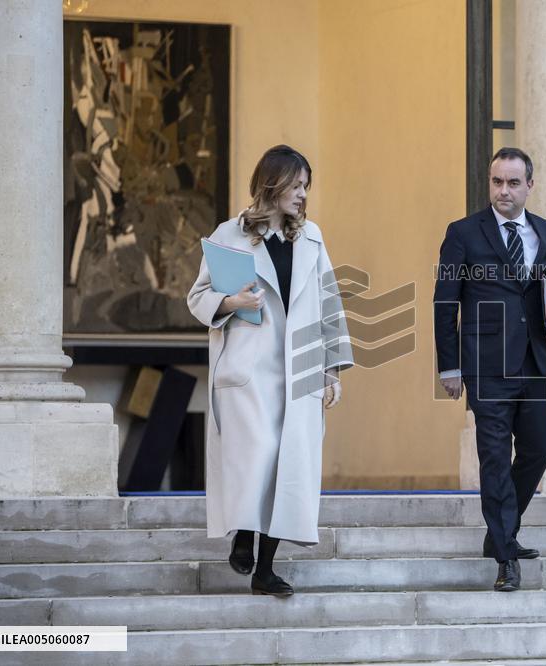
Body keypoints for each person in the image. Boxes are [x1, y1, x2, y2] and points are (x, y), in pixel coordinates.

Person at [188, 145, 353, 597]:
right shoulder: (230, 234)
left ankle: (266, 569)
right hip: (250, 368)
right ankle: (243, 534)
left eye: (306, 187)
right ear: (273, 184)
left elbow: (329, 304)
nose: (303, 195)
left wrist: (332, 370)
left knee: (290, 465)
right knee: (258, 456)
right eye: (296, 185)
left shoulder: (312, 238)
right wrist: (232, 302)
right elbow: (197, 296)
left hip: (298, 369)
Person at [433, 147, 546, 592]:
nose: (504, 190)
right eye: (497, 181)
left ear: (529, 186)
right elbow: (445, 302)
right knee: (494, 459)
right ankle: (504, 553)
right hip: (486, 366)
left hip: (536, 362)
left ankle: (501, 528)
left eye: (513, 182)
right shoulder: (463, 233)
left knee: (538, 448)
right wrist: (449, 366)